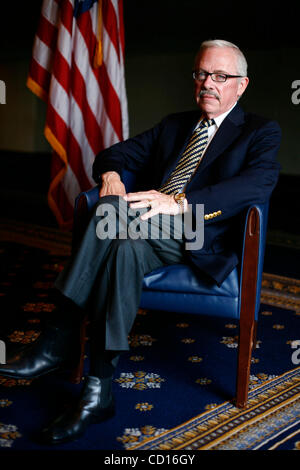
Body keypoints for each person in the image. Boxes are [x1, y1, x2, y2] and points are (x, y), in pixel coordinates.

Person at [0, 39, 281, 444]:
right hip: (142, 229)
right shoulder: (174, 125)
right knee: (123, 245)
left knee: (109, 215)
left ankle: (56, 338)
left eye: (221, 76)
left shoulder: (259, 130)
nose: (209, 84)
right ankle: (99, 389)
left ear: (242, 84)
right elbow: (114, 154)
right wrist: (112, 178)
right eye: (202, 74)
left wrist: (179, 202)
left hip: (202, 229)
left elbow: (258, 184)